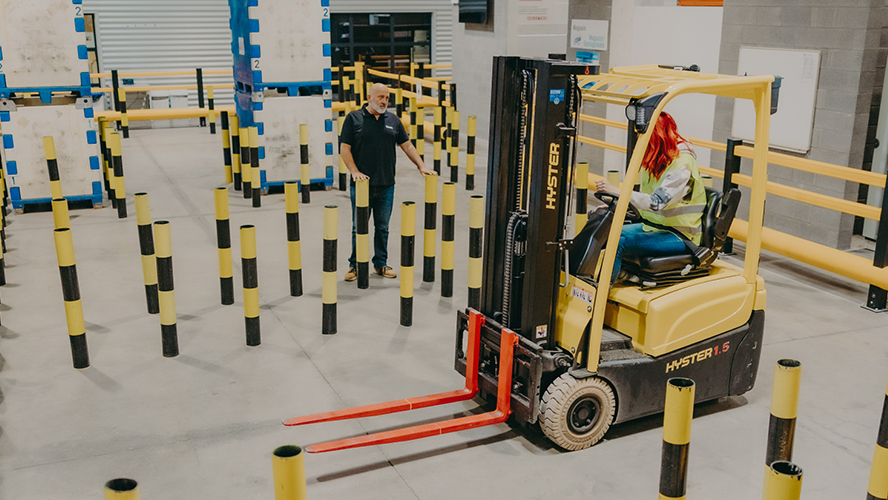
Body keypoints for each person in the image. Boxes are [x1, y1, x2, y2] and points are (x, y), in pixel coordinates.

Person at [339, 82, 436, 281]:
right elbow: (344, 148)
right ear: (369, 97)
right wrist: (355, 171)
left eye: (387, 98)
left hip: (386, 185)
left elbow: (407, 145)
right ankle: (355, 265)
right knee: (359, 227)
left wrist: (421, 165)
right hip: (362, 185)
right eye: (380, 97)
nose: (384, 101)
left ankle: (380, 263)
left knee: (382, 227)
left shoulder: (393, 120)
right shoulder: (354, 119)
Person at [594, 112, 707, 284]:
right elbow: (643, 200)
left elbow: (656, 203)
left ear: (656, 135)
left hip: (679, 234)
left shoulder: (682, 164)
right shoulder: (659, 159)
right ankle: (624, 275)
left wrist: (618, 191)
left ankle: (600, 294)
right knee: (602, 229)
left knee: (618, 241)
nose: (639, 139)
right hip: (653, 227)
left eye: (643, 135)